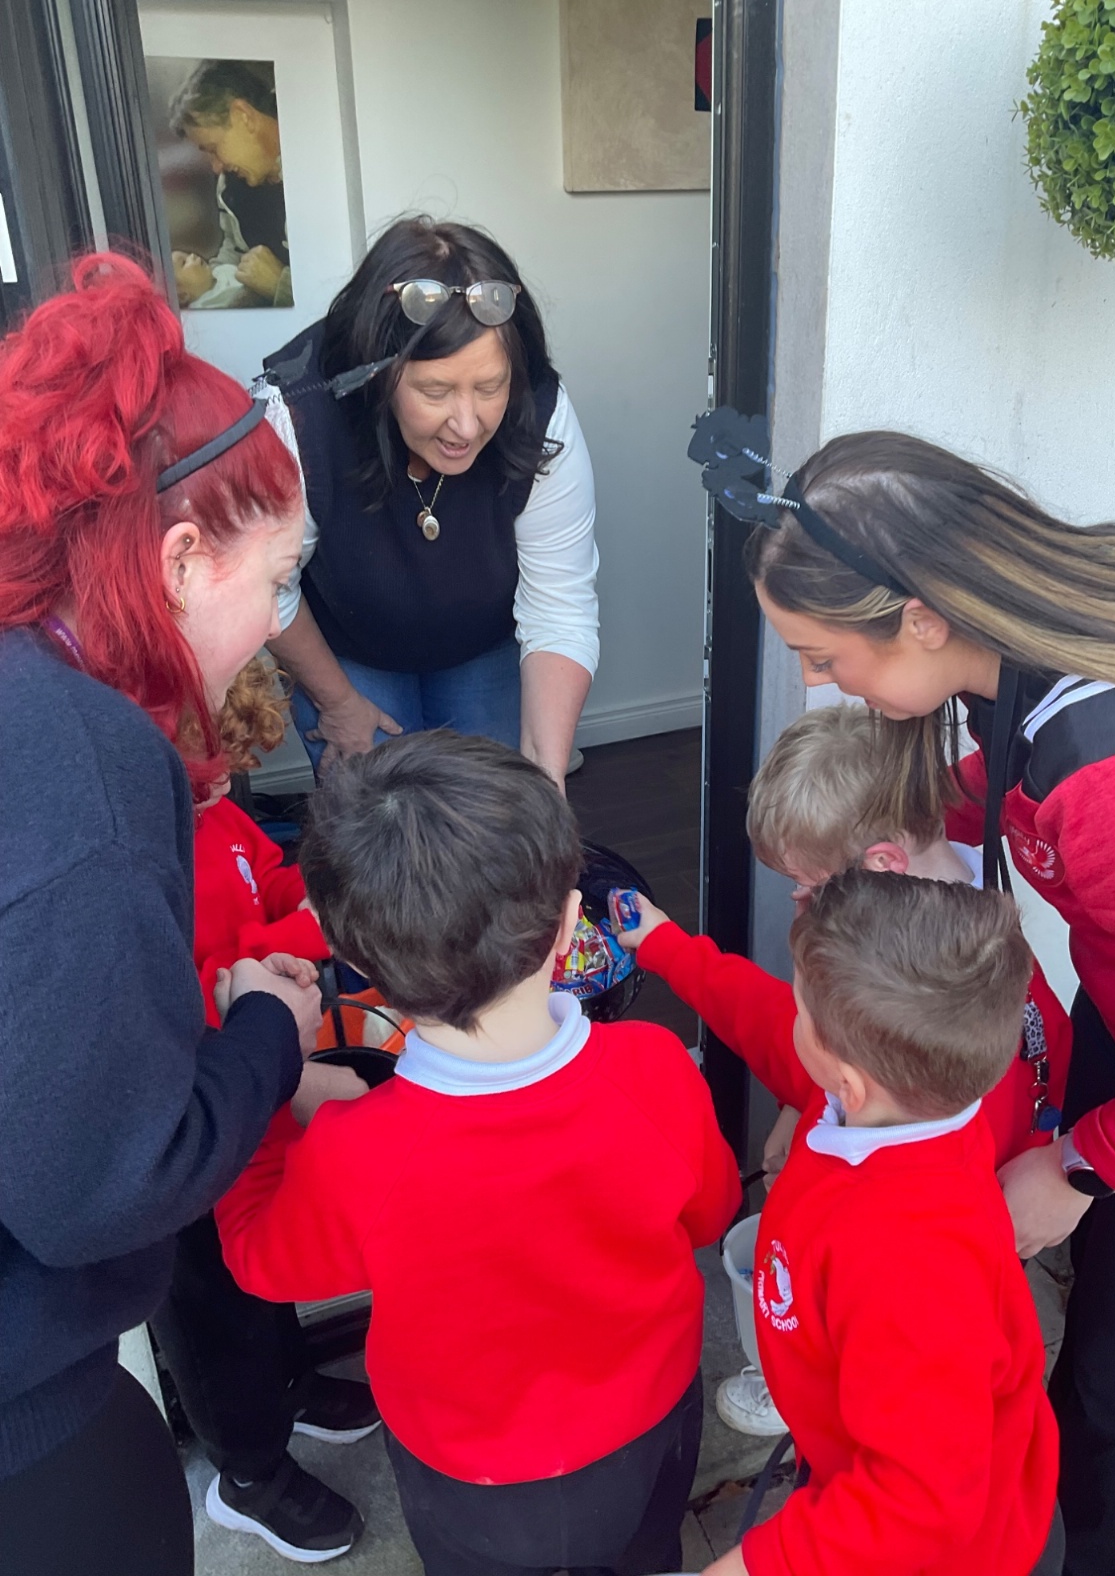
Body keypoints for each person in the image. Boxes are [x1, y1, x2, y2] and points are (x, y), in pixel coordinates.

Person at [743, 429, 1115, 1576]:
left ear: (920, 619)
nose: (818, 681)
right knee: (1104, 1322)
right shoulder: (1029, 667)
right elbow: (1000, 784)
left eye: (822, 654)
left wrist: (1082, 1165)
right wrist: (869, 827)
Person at [215, 731, 741, 1576]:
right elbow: (711, 1214)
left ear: (355, 958)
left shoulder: (358, 1150)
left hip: (470, 1476)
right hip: (652, 1422)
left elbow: (261, 1260)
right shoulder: (653, 1066)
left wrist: (262, 1074)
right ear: (569, 924)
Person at [0, 255, 329, 1576]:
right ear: (184, 558)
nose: (278, 622)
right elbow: (103, 1186)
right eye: (281, 579)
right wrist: (265, 1039)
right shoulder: (83, 764)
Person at [626, 870, 1060, 1576]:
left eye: (802, 1007)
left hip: (948, 1553)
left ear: (847, 1079)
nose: (788, 1014)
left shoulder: (911, 1264)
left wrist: (758, 1563)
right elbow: (760, 1016)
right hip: (863, 1434)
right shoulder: (911, 1095)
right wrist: (667, 946)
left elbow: (919, 1503)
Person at [677, 701, 1071, 1439]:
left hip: (898, 1300)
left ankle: (816, 1397)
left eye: (809, 886)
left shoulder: (916, 1015)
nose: (798, 902)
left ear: (882, 865)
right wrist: (801, 1105)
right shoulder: (979, 948)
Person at [152, 660, 376, 1564]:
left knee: (266, 1276)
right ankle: (249, 1471)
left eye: (229, 770)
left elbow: (270, 874)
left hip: (256, 1096)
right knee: (215, 1312)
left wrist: (313, 903)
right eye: (200, 775)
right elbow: (206, 987)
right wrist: (296, 936)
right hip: (193, 1121)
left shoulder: (219, 815)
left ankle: (289, 1383)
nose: (219, 789)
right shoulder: (148, 858)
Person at [257, 217, 599, 787]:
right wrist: (338, 702)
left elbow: (560, 607)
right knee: (379, 824)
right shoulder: (299, 412)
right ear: (378, 374)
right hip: (346, 653)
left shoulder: (539, 407)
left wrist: (546, 785)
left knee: (494, 812)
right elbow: (268, 587)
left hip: (481, 646)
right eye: (435, 391)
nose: (466, 424)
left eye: (489, 387)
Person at [169, 59, 292, 309]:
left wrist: (280, 285)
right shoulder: (229, 187)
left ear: (243, 116)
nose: (216, 167)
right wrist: (207, 291)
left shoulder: (319, 173)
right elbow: (234, 250)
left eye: (213, 149)